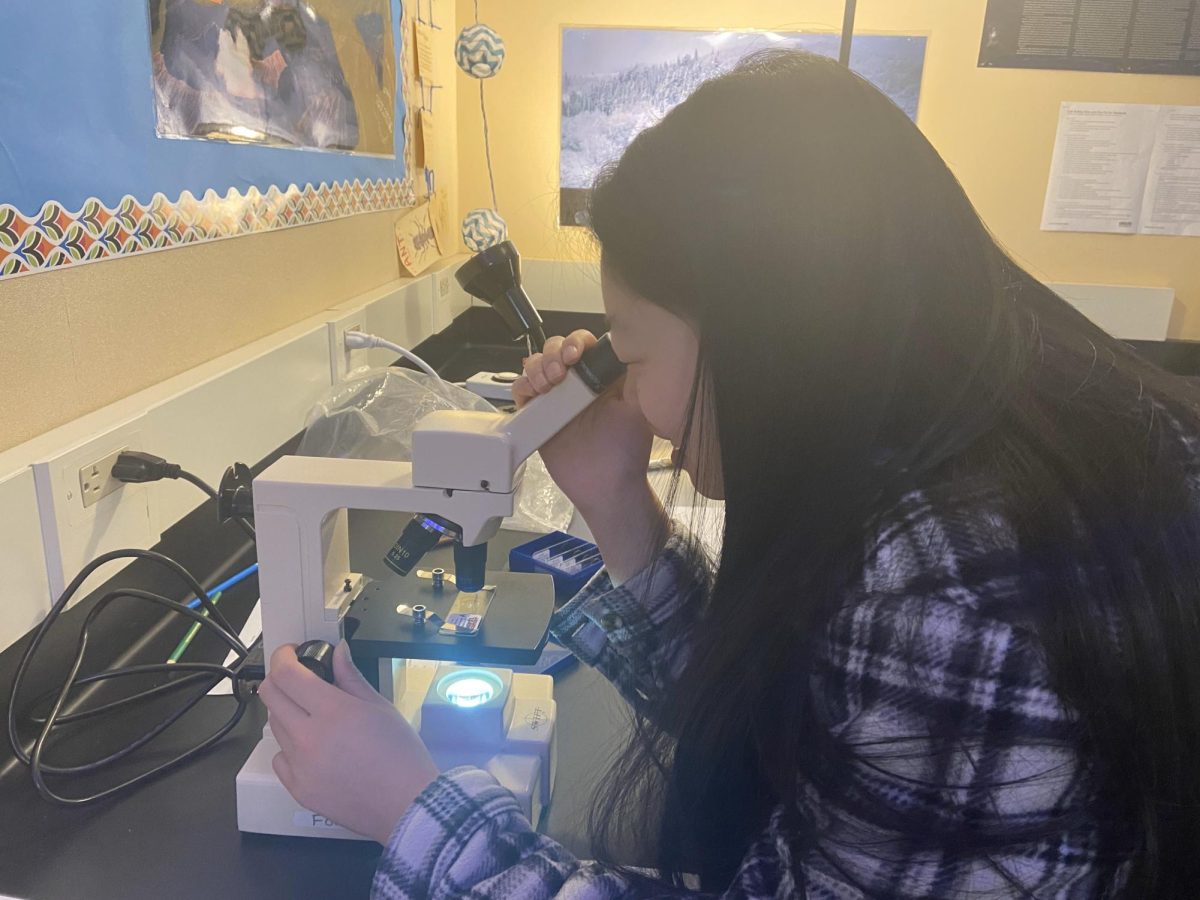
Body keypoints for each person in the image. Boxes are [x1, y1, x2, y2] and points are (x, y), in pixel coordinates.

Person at [258, 51, 1200, 897]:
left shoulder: (953, 592)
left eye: (632, 349)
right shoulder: (955, 445)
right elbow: (793, 732)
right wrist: (617, 502)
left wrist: (409, 810)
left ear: (764, 339)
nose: (638, 399)